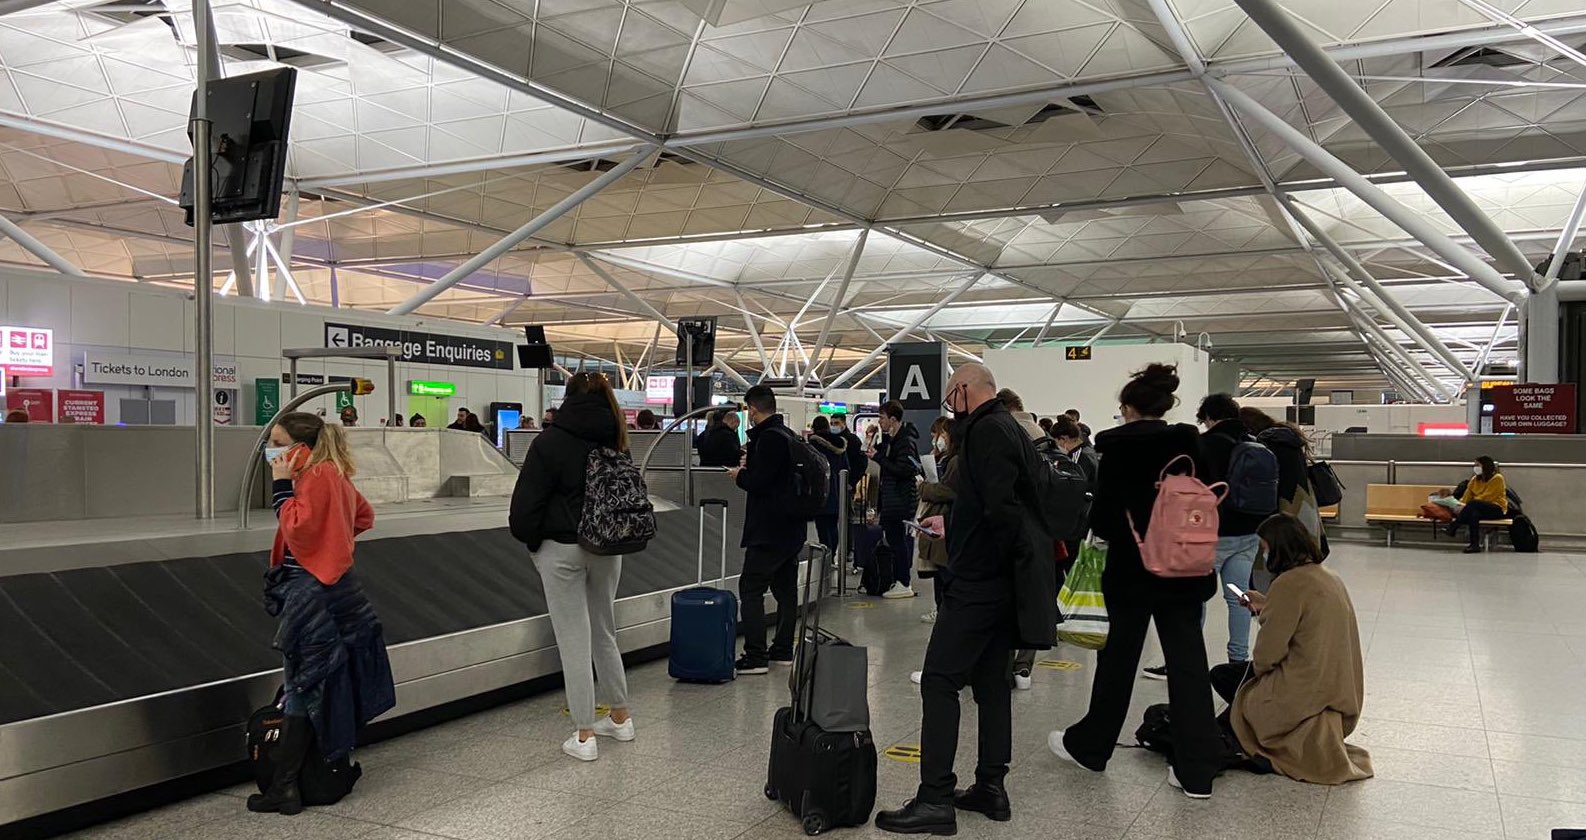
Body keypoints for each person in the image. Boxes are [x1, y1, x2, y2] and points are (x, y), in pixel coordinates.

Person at [875, 363, 1051, 836]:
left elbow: (1001, 512)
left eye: (951, 394)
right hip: (999, 579)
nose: (948, 403)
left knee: (939, 680)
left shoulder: (986, 432)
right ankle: (991, 787)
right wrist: (952, 525)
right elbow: (991, 504)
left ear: (965, 390)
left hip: (981, 582)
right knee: (992, 682)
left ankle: (935, 798)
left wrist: (975, 556)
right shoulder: (1004, 428)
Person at [1050, 364, 1224, 800]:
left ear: (1127, 408)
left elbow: (1106, 519)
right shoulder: (1190, 444)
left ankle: (1091, 746)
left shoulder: (1118, 451)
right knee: (1187, 664)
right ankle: (1196, 770)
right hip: (1185, 566)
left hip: (1131, 571)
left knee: (1118, 662)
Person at [251, 413, 394, 814]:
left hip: (314, 593)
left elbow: (298, 527)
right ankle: (303, 776)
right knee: (314, 679)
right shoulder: (334, 475)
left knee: (301, 682)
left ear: (300, 448)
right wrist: (334, 541)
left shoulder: (316, 477)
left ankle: (285, 787)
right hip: (337, 589)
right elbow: (363, 516)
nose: (273, 452)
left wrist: (281, 486)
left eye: (278, 443)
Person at [508, 373, 637, 761]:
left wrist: (533, 541)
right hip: (608, 546)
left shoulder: (549, 441)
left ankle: (583, 735)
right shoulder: (617, 437)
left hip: (562, 548)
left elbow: (525, 507)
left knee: (573, 640)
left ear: (566, 398)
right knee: (604, 631)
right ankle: (620, 717)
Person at [1215, 514, 1372, 785]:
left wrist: (1270, 611)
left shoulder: (1288, 583)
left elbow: (1267, 656)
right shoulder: (1328, 577)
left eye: (1265, 549)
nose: (1263, 555)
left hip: (1302, 688)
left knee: (1223, 677)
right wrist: (1269, 604)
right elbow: (1307, 618)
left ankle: (1259, 740)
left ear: (1278, 548)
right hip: (1337, 685)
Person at [1147, 393, 1262, 678]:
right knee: (1239, 598)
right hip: (1250, 533)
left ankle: (1185, 660)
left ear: (1209, 417)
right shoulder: (1255, 442)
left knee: (1194, 598)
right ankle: (1238, 659)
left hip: (1211, 536)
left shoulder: (1205, 444)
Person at [728, 385, 806, 675]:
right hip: (790, 528)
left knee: (750, 588)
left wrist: (740, 475)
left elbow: (760, 483)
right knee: (786, 590)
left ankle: (756, 655)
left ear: (753, 408)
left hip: (769, 529)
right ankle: (783, 649)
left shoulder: (769, 439)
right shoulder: (787, 435)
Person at [1240, 407, 1324, 585]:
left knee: (1271, 568)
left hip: (1281, 511)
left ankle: (1274, 606)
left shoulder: (1265, 444)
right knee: (1300, 562)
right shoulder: (1289, 439)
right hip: (1303, 506)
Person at [998, 388, 1047, 691]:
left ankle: (1002, 664)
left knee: (1006, 596)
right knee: (1030, 597)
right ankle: (1024, 667)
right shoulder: (1041, 432)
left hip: (1013, 524)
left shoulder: (1008, 432)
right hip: (1040, 529)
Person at [871, 400, 921, 599]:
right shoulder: (892, 440)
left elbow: (904, 470)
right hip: (893, 499)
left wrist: (880, 459)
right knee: (895, 540)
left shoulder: (905, 442)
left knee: (898, 541)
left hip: (900, 500)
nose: (880, 422)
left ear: (893, 419)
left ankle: (904, 582)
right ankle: (900, 580)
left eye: (882, 418)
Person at [915, 416, 958, 626]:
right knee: (939, 572)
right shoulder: (943, 458)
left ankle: (944, 612)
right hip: (940, 520)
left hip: (945, 522)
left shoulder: (955, 461)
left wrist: (924, 488)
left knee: (944, 573)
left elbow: (947, 491)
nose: (936, 439)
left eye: (939, 434)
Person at [808, 415, 849, 557]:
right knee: (833, 526)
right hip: (837, 491)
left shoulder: (812, 446)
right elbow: (846, 468)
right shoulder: (840, 445)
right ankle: (832, 555)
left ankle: (826, 557)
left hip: (819, 492)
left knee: (822, 527)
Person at [1448, 456, 1507, 553]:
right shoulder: (1474, 480)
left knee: (1473, 504)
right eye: (1474, 465)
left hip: (1496, 508)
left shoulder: (1498, 478)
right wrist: (1460, 505)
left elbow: (1488, 497)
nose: (1475, 467)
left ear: (1485, 466)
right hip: (1477, 508)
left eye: (1478, 465)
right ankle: (1474, 545)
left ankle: (1454, 526)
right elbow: (1467, 495)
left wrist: (1468, 505)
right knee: (1473, 514)